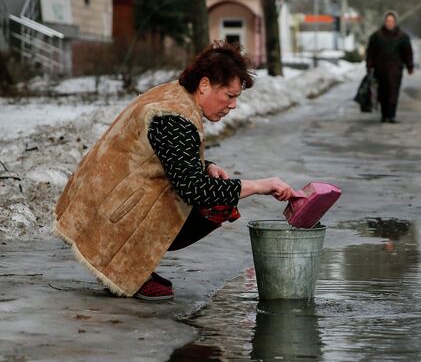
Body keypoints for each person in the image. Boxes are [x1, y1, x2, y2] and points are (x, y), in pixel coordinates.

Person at [53, 41, 294, 301]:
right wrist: (259, 186)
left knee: (212, 192)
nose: (233, 104)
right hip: (111, 210)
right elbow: (194, 189)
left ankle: (132, 261)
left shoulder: (173, 95)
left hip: (100, 198)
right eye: (230, 95)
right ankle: (126, 265)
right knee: (214, 204)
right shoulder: (174, 117)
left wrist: (207, 166)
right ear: (204, 85)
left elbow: (164, 155)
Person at [366, 11, 414, 123]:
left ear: (395, 22)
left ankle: (391, 115)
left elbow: (408, 53)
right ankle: (384, 114)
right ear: (385, 22)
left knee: (393, 91)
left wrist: (409, 66)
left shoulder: (402, 36)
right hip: (380, 69)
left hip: (395, 70)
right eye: (388, 21)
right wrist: (369, 67)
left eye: (392, 21)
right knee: (383, 92)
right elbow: (370, 53)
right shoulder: (377, 36)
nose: (390, 23)